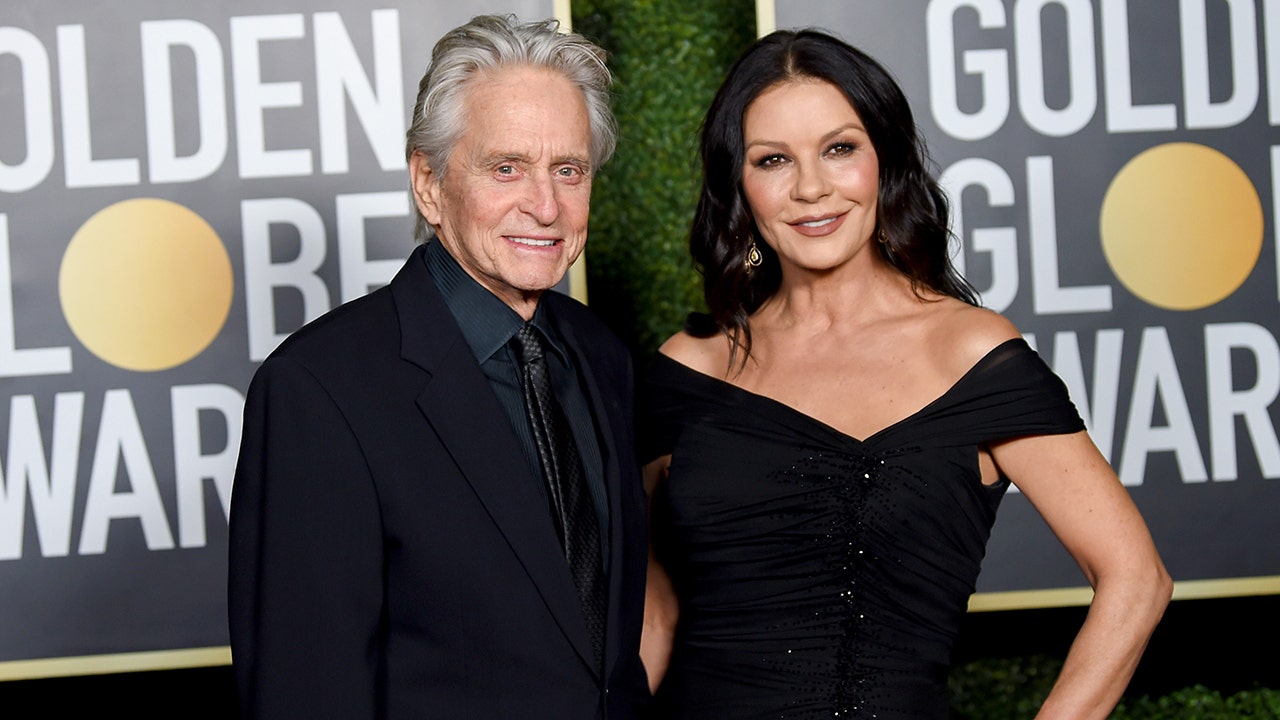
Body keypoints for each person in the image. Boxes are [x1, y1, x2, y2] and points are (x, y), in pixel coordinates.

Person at [639, 29, 1173, 720]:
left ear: (883, 159)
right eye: (773, 159)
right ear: (738, 184)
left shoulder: (969, 353)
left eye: (839, 149)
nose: (810, 188)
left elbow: (1137, 579)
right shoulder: (689, 367)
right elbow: (655, 620)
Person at [228, 14, 649, 720]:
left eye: (568, 170)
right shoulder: (318, 390)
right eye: (505, 167)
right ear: (429, 182)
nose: (545, 205)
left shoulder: (599, 355)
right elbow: (305, 691)